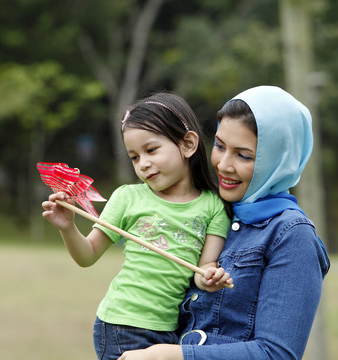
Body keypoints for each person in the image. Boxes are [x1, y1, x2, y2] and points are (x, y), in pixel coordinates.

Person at [118, 85, 331, 360]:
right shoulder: (213, 212)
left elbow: (277, 354)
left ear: (279, 160)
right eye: (219, 146)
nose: (223, 165)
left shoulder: (292, 235)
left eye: (244, 155)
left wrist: (173, 356)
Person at [42, 92, 232, 359]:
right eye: (134, 157)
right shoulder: (127, 197)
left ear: (188, 144)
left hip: (171, 332)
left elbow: (204, 269)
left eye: (151, 150)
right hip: (122, 324)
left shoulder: (214, 206)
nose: (143, 164)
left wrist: (211, 277)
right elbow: (87, 255)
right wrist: (67, 227)